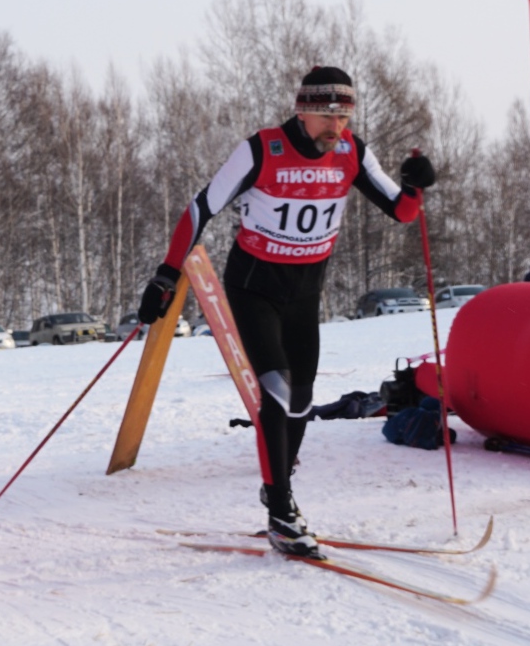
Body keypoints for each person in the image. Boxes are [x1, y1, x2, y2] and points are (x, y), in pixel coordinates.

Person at [135, 66, 434, 558]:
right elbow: (199, 208)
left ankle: (279, 479)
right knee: (275, 392)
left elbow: (402, 211)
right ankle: (281, 511)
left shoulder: (352, 152)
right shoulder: (261, 149)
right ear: (302, 109)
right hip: (254, 286)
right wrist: (166, 275)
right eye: (325, 114)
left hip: (304, 292)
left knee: (301, 401)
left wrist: (417, 185)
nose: (335, 126)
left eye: (344, 114)